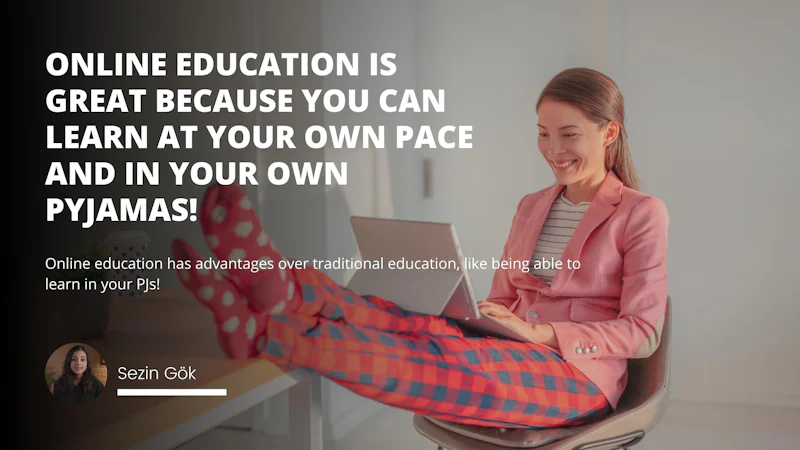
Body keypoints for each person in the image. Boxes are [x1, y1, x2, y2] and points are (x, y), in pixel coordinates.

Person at [173, 67, 668, 429]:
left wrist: (542, 333)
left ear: (609, 133)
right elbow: (502, 295)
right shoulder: (532, 205)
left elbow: (643, 332)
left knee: (440, 362)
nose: (552, 149)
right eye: (542, 133)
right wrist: (484, 317)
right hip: (512, 345)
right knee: (407, 320)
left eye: (568, 135)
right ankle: (284, 289)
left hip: (578, 376)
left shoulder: (641, 212)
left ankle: (266, 331)